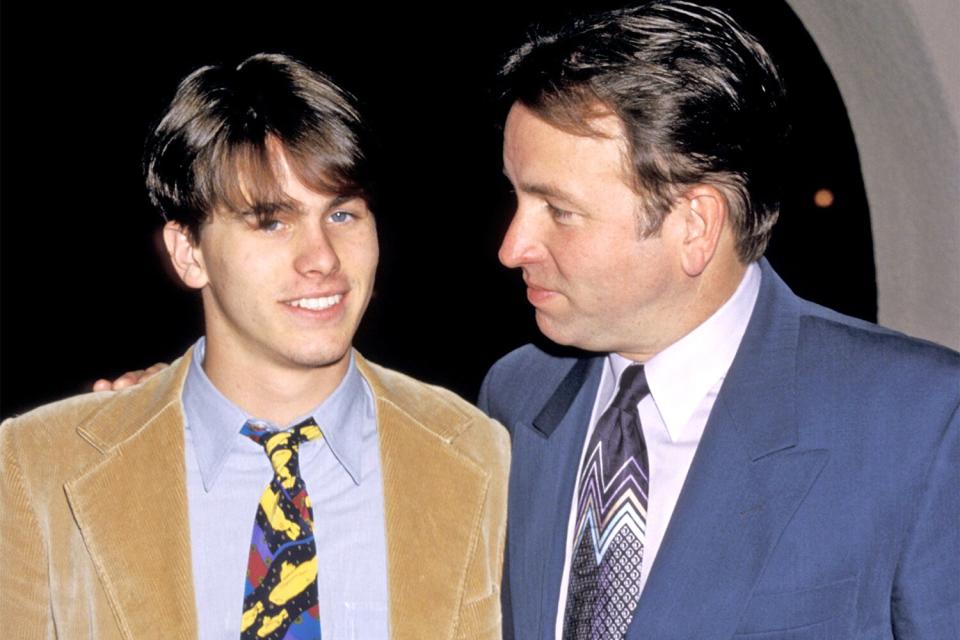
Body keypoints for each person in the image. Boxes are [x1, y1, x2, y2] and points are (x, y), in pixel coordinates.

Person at [478, 2, 959, 639]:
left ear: (696, 226)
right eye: (517, 195)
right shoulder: (516, 396)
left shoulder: (915, 421)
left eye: (558, 210)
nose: (512, 248)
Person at [0, 53, 508, 639]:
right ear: (188, 251)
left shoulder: (480, 454)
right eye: (271, 222)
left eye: (342, 214)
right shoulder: (39, 466)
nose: (321, 258)